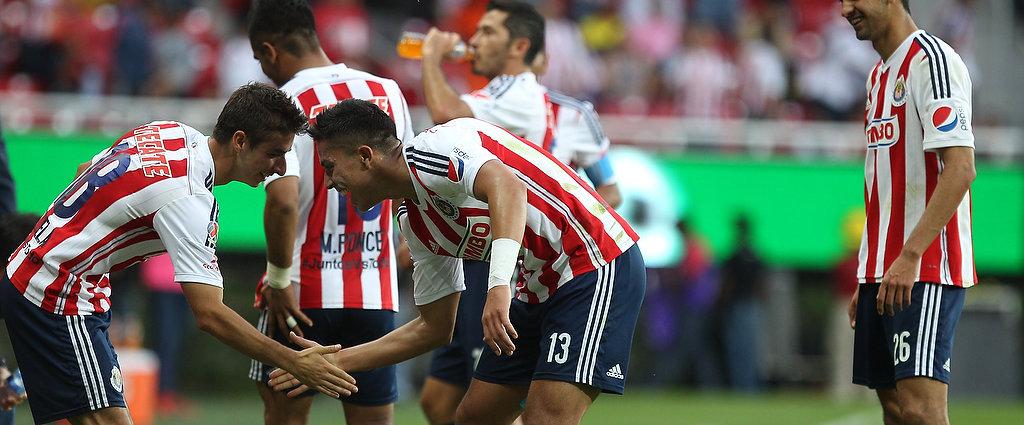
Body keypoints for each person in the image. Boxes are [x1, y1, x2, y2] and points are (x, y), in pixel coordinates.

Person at [270, 100, 646, 425]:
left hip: (594, 260)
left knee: (546, 418)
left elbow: (508, 187)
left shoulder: (432, 149)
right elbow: (434, 328)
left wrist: (497, 287)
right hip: (538, 284)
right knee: (474, 417)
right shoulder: (413, 220)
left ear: (366, 157)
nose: (329, 182)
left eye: (330, 167)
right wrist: (336, 361)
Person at [0, 83, 357, 425]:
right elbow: (210, 314)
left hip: (43, 274)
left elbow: (84, 171)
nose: (279, 168)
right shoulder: (190, 199)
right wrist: (295, 362)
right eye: (274, 153)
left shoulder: (170, 131)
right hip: (58, 292)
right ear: (239, 141)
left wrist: (88, 253)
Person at [246, 1, 413, 424]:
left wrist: (279, 278)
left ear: (269, 51)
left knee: (285, 416)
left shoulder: (284, 102)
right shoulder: (388, 91)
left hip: (301, 292)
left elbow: (283, 200)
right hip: (374, 290)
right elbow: (407, 185)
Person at [416, 3, 556, 423]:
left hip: (501, 254)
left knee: (494, 403)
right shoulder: (501, 92)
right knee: (438, 400)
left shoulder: (519, 91)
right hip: (475, 248)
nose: (474, 40)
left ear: (519, 46)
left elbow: (446, 115)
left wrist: (430, 58)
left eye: (489, 32)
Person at [841, 1, 977, 424]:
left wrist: (909, 255)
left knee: (921, 411)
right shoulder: (878, 76)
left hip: (925, 268)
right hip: (884, 271)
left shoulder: (932, 61)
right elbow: (884, 182)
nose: (845, 9)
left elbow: (961, 168)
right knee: (896, 411)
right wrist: (870, 270)